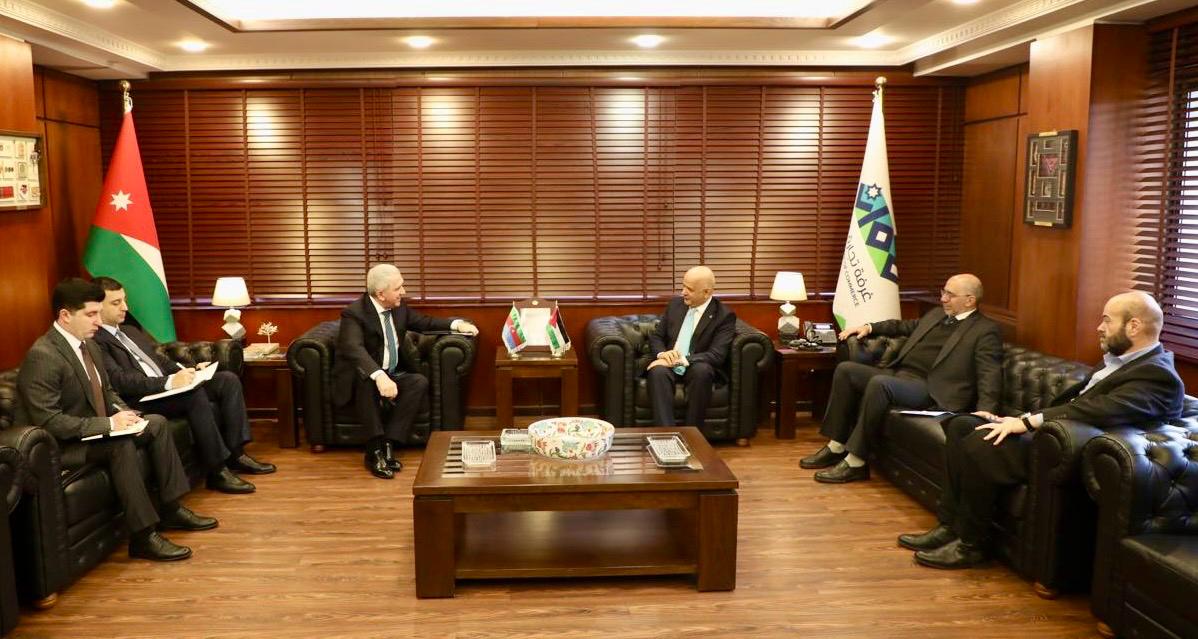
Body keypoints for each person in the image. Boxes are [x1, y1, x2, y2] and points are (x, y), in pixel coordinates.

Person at [902, 291, 1185, 569]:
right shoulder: (1119, 361)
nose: (1099, 327)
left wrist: (1026, 422)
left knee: (982, 442)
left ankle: (971, 544)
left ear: (1133, 326)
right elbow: (1078, 405)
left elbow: (1099, 410)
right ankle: (949, 525)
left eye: (1107, 320)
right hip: (1053, 435)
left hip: (1072, 454)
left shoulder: (1157, 375)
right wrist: (1015, 419)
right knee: (962, 425)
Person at [15, 278, 217, 561]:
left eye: (99, 313)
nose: (99, 322)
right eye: (91, 314)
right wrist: (109, 425)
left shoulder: (89, 344)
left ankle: (171, 509)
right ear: (65, 315)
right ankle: (143, 537)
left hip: (94, 431)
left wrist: (125, 414)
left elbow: (107, 391)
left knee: (156, 423)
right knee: (119, 445)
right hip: (63, 446)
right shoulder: (44, 356)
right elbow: (50, 422)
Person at [801, 273, 1003, 484]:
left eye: (950, 295)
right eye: (944, 292)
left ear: (970, 300)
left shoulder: (984, 330)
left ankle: (856, 462)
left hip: (930, 388)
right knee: (846, 370)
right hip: (900, 374)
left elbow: (989, 372)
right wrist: (869, 327)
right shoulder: (937, 314)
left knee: (880, 384)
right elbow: (903, 326)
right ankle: (836, 446)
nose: (943, 298)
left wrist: (985, 411)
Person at [91, 276, 274, 496]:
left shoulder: (130, 331)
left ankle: (236, 454)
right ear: (97, 306)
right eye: (116, 303)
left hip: (165, 389)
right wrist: (169, 382)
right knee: (193, 395)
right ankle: (217, 471)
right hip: (142, 400)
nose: (125, 307)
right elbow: (121, 381)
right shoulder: (96, 341)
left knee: (227, 380)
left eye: (124, 300)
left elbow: (159, 360)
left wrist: (190, 369)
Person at [335, 264, 478, 479]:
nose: (403, 291)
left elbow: (425, 322)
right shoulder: (354, 314)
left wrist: (457, 325)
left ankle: (390, 443)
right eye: (398, 288)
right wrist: (379, 376)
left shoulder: (399, 308)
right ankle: (374, 451)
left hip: (391, 372)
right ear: (381, 294)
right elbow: (353, 348)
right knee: (366, 381)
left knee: (418, 382)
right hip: (362, 376)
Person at [646, 266, 737, 428]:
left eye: (690, 289)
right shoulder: (675, 305)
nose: (683, 292)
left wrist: (678, 360)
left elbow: (716, 355)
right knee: (657, 371)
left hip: (696, 364)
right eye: (683, 286)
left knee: (702, 371)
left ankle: (692, 434)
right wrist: (662, 354)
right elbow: (657, 336)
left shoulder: (724, 316)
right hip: (668, 362)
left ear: (706, 292)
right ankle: (666, 434)